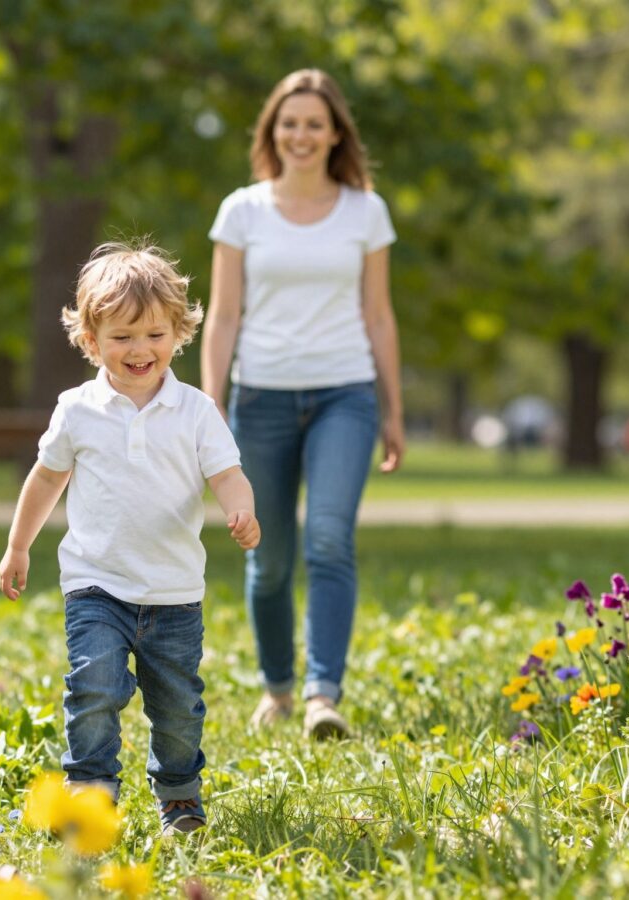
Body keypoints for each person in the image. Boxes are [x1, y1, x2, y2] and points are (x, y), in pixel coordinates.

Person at [0, 242, 261, 835]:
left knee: (177, 709)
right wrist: (19, 546)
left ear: (178, 332)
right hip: (96, 584)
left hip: (173, 595)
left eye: (154, 335)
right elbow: (46, 479)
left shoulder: (197, 411)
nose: (140, 350)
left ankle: (179, 797)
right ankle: (90, 794)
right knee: (93, 685)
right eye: (122, 337)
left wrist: (240, 510)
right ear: (91, 340)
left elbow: (227, 474)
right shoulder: (77, 409)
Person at [201, 69, 405, 740]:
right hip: (259, 397)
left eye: (316, 123)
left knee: (328, 539)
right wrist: (209, 409)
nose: (302, 135)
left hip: (345, 395)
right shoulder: (242, 211)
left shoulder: (365, 210)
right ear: (272, 132)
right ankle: (278, 688)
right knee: (269, 558)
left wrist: (394, 409)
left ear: (336, 132)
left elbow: (378, 316)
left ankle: (323, 694)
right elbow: (223, 317)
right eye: (290, 123)